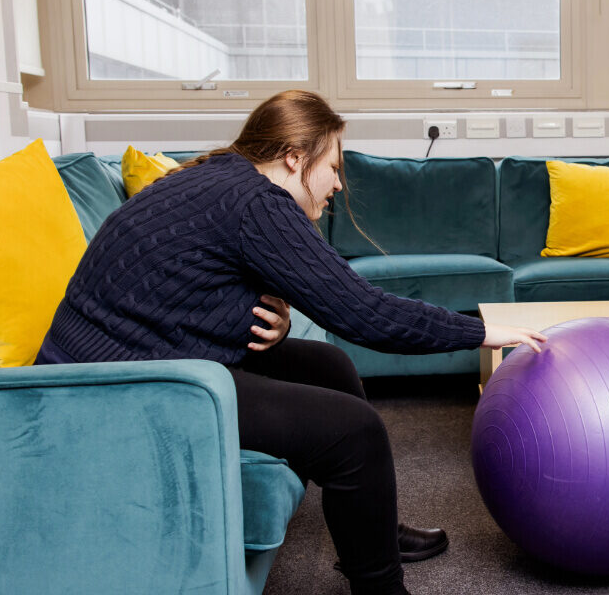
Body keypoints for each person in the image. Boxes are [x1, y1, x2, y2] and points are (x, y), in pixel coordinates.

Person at [35, 90, 546, 595]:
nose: (339, 185)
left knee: (328, 366)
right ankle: (382, 589)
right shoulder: (257, 201)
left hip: (137, 357)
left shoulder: (226, 179)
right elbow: (367, 315)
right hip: (119, 388)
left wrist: (263, 317)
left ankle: (371, 535)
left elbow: (190, 279)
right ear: (294, 158)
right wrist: (481, 331)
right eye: (334, 167)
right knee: (354, 432)